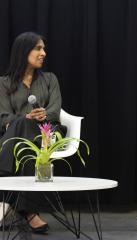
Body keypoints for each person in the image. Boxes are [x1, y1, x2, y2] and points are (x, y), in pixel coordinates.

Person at [0, 32, 66, 233]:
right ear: (23, 52)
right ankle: (29, 212)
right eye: (38, 48)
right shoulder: (3, 83)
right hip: (17, 136)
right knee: (23, 127)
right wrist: (23, 119)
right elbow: (3, 117)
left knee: (27, 129)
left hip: (48, 132)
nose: (43, 53)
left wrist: (43, 113)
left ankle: (3, 191)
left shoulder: (50, 79)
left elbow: (56, 110)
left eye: (43, 48)